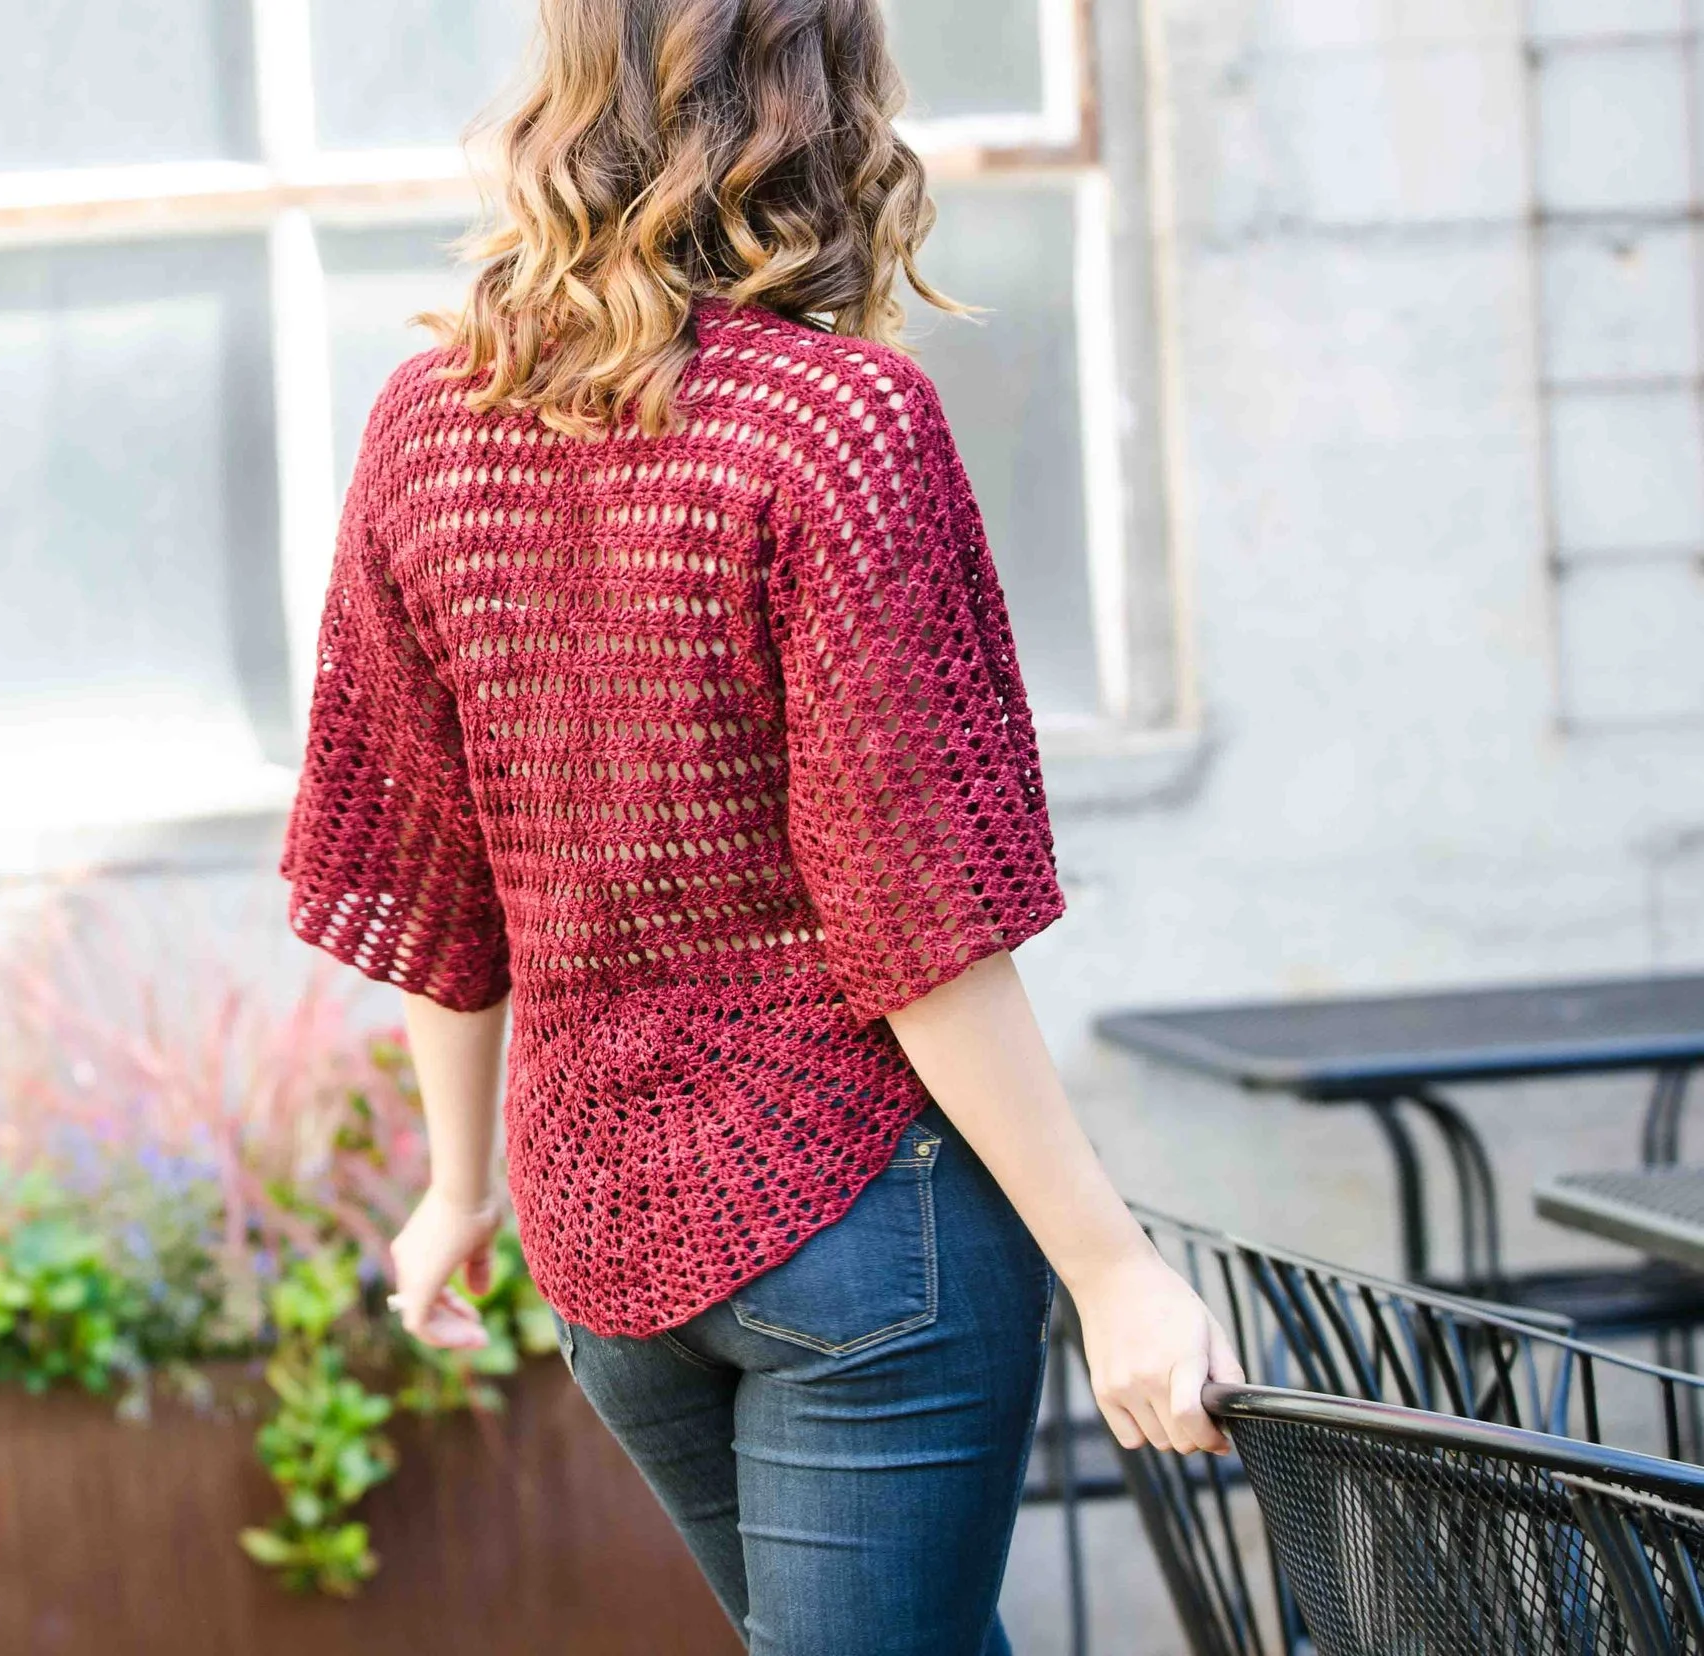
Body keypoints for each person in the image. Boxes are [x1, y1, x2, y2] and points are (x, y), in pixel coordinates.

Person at [276, 2, 1240, 1649]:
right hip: (869, 1227)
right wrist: (1110, 1264)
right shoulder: (840, 424)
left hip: (602, 1236)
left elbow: (436, 880)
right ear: (822, 105)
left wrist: (457, 1190)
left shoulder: (423, 429)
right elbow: (921, 918)